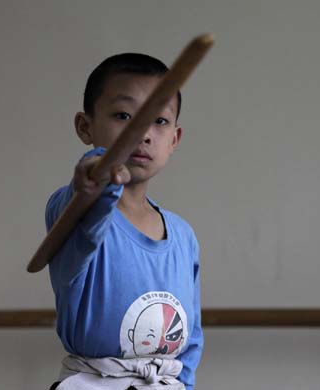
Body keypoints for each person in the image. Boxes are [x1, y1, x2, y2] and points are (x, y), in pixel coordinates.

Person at [45, 53, 203, 390]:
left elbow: (190, 340)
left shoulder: (182, 235)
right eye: (124, 116)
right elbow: (89, 194)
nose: (143, 133)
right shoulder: (75, 207)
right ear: (85, 127)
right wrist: (93, 175)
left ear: (174, 139)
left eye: (158, 120)